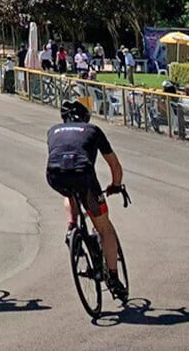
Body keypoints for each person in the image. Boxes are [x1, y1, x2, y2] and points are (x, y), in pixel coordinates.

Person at [47, 100, 127, 300]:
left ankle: (72, 226)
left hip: (54, 175)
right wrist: (116, 185)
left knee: (69, 193)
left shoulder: (53, 130)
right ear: (85, 118)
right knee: (104, 228)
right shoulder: (93, 130)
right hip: (84, 176)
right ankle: (114, 278)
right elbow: (115, 165)